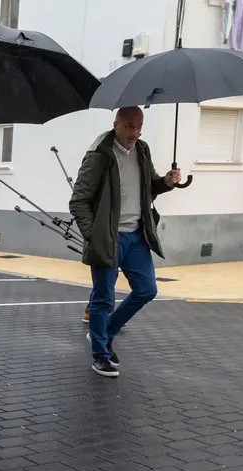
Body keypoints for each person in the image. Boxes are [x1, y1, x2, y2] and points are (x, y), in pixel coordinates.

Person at [70, 106, 180, 378]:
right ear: (115, 124)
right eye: (129, 126)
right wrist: (94, 236)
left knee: (147, 290)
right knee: (103, 298)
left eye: (139, 126)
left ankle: (106, 333)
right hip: (108, 238)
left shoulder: (142, 149)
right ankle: (100, 354)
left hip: (136, 236)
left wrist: (166, 182)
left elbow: (149, 187)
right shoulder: (99, 155)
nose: (135, 132)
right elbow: (79, 201)